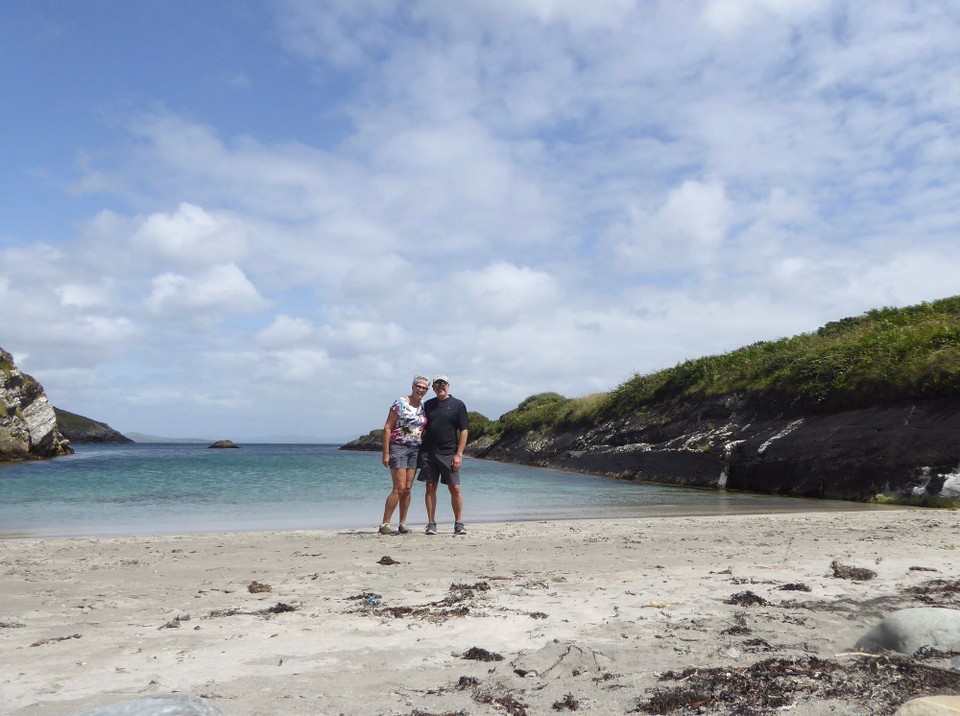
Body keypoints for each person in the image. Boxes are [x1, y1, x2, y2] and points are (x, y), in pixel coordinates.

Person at [417, 375, 470, 535]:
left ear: (449, 386)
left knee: (455, 488)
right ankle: (431, 523)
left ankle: (459, 523)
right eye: (437, 384)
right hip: (428, 453)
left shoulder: (458, 405)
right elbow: (418, 426)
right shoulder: (428, 405)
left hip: (449, 453)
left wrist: (459, 454)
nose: (440, 387)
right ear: (433, 388)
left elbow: (464, 431)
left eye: (443, 384)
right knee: (430, 487)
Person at [378, 375, 430, 535]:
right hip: (398, 447)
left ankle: (402, 523)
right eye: (418, 386)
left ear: (427, 390)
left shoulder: (422, 406)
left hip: (414, 449)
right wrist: (386, 452)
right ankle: (385, 524)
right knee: (399, 488)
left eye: (424, 387)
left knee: (407, 488)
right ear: (413, 386)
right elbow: (387, 427)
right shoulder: (400, 403)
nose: (420, 389)